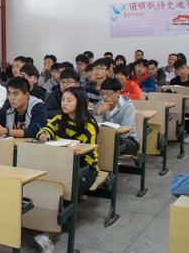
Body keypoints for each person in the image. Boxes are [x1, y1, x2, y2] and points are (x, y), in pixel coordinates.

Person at [34, 87, 99, 252]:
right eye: (63, 99)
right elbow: (45, 129)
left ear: (80, 103)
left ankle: (47, 235)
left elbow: (87, 155)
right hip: (60, 165)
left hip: (86, 169)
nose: (64, 103)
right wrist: (43, 134)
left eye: (69, 100)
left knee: (63, 191)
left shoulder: (89, 126)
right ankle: (37, 220)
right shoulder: (59, 119)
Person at [94, 78, 140, 155]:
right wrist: (98, 114)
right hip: (106, 138)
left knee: (112, 142)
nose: (104, 97)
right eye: (102, 93)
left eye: (108, 94)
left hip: (128, 140)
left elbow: (126, 132)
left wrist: (110, 133)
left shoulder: (128, 106)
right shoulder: (100, 104)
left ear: (118, 93)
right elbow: (97, 129)